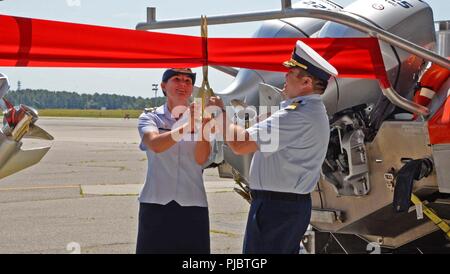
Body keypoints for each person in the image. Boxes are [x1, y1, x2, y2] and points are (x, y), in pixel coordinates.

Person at [208, 40, 338, 254]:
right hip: (282, 205)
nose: (284, 76)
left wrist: (219, 114)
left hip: (277, 207)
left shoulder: (297, 116)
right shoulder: (303, 111)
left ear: (306, 82)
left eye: (291, 72)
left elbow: (240, 144)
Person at [136, 68, 212, 254]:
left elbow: (201, 159)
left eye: (187, 81)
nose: (183, 84)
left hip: (193, 204)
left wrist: (203, 129)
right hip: (156, 204)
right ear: (163, 86)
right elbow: (155, 144)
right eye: (176, 79)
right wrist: (188, 125)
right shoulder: (150, 117)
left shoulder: (203, 118)